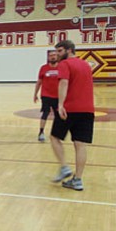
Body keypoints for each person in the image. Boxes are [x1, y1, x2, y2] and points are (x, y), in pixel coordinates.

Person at [50, 40, 95, 191]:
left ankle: (64, 167)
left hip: (70, 109)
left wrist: (61, 104)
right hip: (88, 109)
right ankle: (78, 180)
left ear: (69, 50)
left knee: (54, 137)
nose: (57, 55)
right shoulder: (86, 65)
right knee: (80, 145)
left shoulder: (65, 64)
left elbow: (64, 83)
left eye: (60, 51)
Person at [33, 50, 60, 142]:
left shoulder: (62, 67)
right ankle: (41, 132)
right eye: (51, 55)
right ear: (48, 57)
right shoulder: (44, 68)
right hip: (46, 95)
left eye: (54, 55)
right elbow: (39, 82)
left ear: (57, 57)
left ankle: (56, 133)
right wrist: (35, 94)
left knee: (58, 115)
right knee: (45, 113)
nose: (53, 57)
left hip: (58, 96)